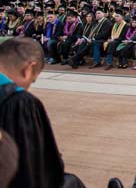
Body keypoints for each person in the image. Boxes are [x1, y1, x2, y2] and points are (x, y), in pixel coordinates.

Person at [0, 38, 86, 187]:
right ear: (29, 70)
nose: (28, 87)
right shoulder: (20, 103)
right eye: (32, 81)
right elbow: (33, 167)